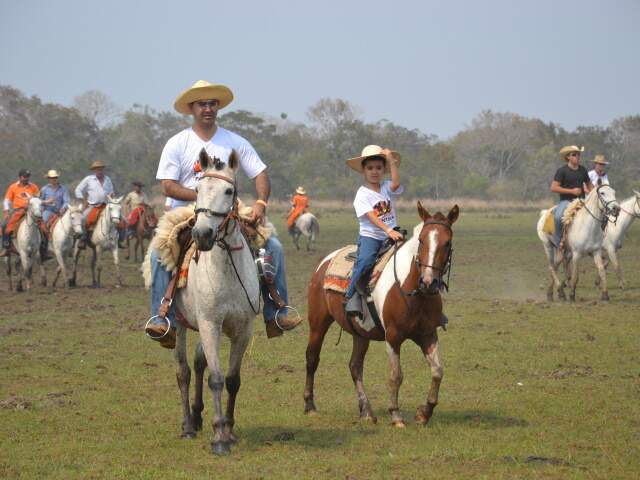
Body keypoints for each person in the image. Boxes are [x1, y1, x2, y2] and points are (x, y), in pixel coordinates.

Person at [145, 79, 300, 348]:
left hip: (229, 209)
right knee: (159, 251)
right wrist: (205, 197)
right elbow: (167, 185)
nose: (208, 108)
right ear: (192, 108)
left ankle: (276, 310)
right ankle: (163, 317)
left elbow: (260, 173)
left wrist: (261, 203)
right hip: (186, 210)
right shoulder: (177, 143)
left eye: (212, 103)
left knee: (272, 244)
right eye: (202, 104)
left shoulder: (234, 141)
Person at [344, 145, 404, 317]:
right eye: (370, 168)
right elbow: (371, 217)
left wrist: (392, 162)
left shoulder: (385, 186)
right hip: (372, 236)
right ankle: (350, 295)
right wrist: (388, 230)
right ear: (363, 171)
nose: (374, 172)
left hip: (392, 232)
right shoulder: (362, 194)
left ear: (384, 170)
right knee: (366, 260)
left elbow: (396, 183)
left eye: (379, 167)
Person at [550, 145, 594, 251]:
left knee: (597, 213)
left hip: (581, 201)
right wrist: (571, 191)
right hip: (566, 201)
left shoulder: (583, 170)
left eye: (578, 155)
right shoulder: (562, 171)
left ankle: (596, 239)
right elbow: (554, 188)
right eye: (574, 155)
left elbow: (589, 185)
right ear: (568, 157)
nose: (577, 157)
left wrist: (594, 193)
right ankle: (558, 241)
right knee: (558, 216)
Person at [0, 169, 43, 257]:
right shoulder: (13, 187)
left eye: (28, 177)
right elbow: (7, 200)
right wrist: (6, 211)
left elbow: (38, 198)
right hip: (18, 210)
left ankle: (43, 249)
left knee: (43, 227)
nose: (26, 178)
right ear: (20, 177)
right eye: (25, 177)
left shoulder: (33, 186)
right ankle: (6, 246)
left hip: (31, 210)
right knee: (5, 225)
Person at [74, 160, 117, 247]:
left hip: (105, 205)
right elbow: (78, 189)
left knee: (118, 218)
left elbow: (112, 191)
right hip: (93, 206)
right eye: (97, 169)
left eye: (100, 169)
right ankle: (83, 238)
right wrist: (82, 199)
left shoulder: (108, 179)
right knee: (82, 219)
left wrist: (112, 195)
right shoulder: (89, 179)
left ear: (102, 169)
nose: (99, 171)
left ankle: (117, 239)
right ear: (94, 170)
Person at [40, 169, 71, 258]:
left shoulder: (63, 189)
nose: (54, 179)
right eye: (52, 178)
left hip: (60, 211)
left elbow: (66, 201)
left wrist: (63, 208)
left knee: (72, 223)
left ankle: (70, 246)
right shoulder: (44, 189)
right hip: (48, 211)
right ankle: (45, 245)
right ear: (48, 179)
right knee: (44, 224)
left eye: (55, 177)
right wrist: (47, 202)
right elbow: (40, 201)